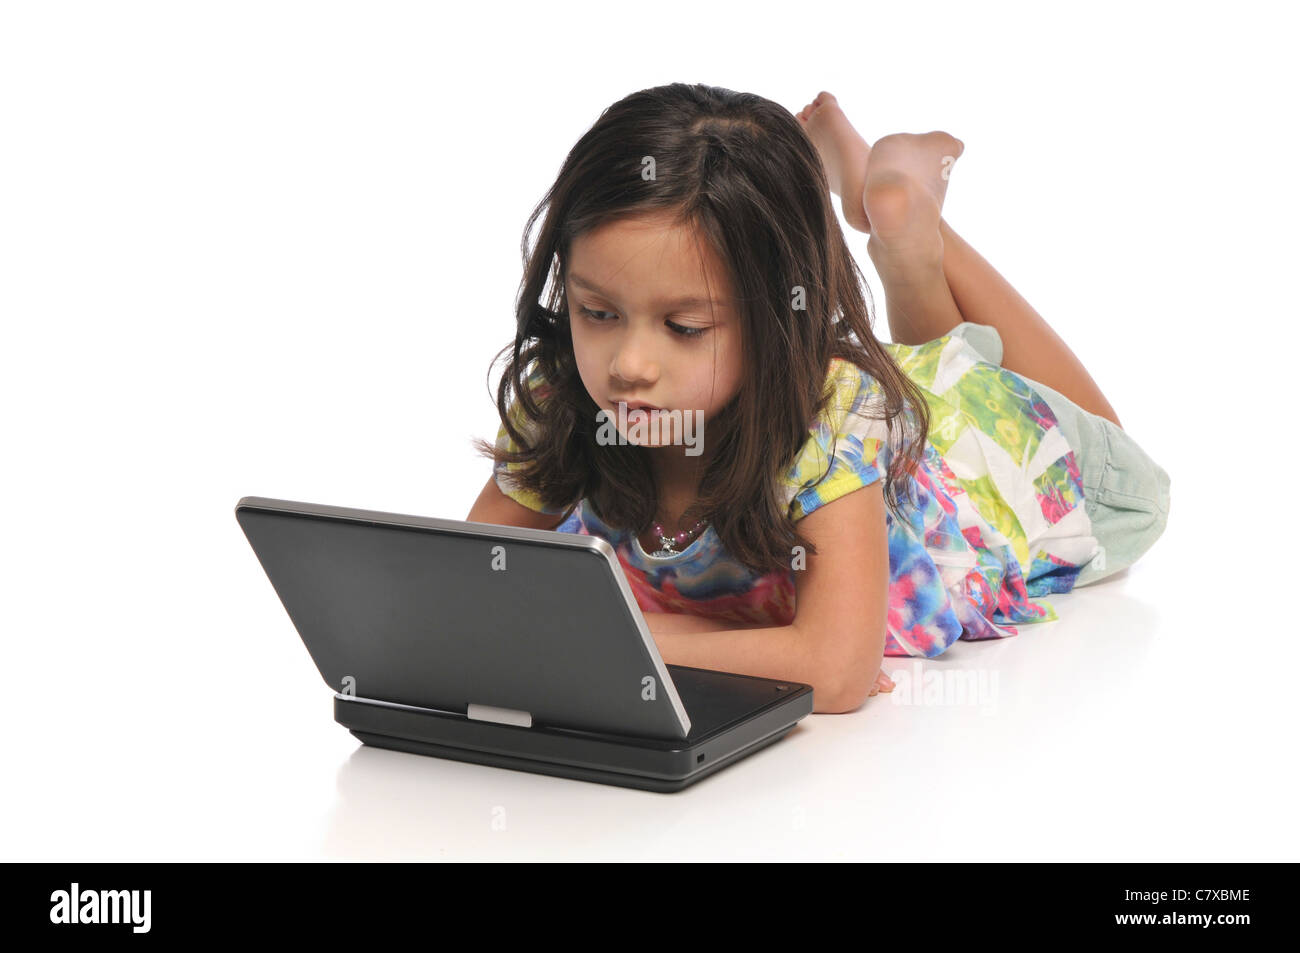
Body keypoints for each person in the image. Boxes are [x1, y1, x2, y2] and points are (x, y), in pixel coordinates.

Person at [467, 85, 1170, 714]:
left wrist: (611, 635)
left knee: (1128, 477)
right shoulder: (564, 397)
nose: (628, 365)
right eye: (597, 313)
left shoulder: (827, 425)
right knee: (931, 364)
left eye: (683, 327)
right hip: (890, 419)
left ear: (778, 317)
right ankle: (902, 232)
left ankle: (911, 222)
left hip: (991, 466)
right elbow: (471, 585)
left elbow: (834, 673)